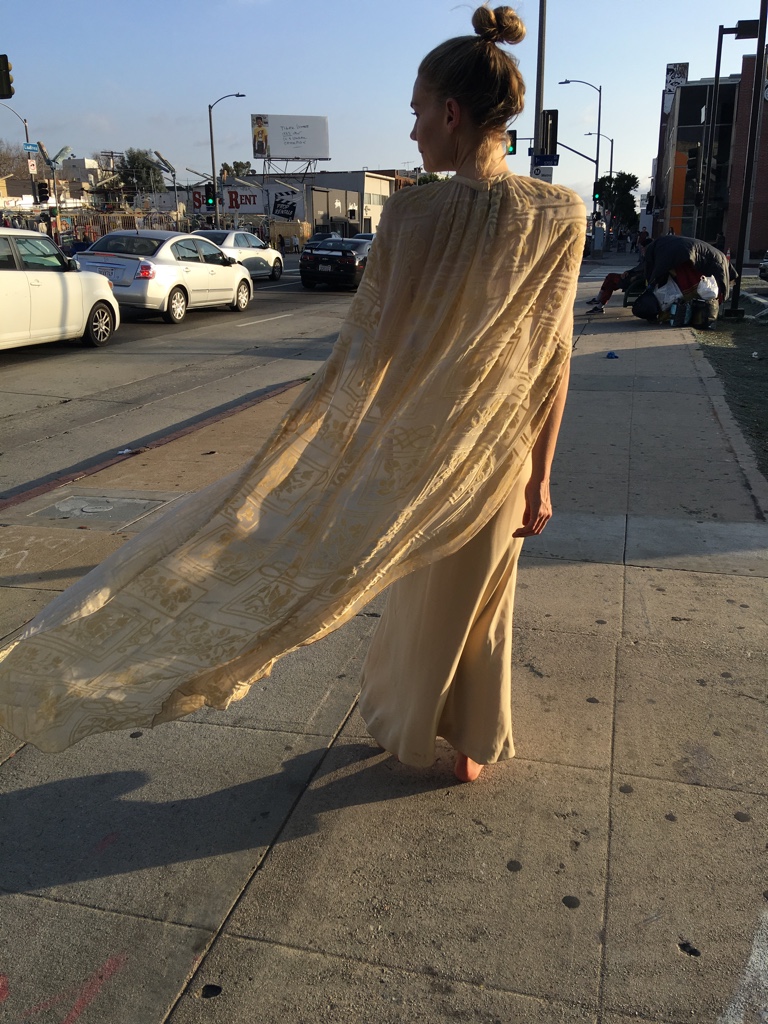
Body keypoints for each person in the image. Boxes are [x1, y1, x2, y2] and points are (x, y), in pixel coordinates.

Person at [0, 5, 585, 784]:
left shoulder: (411, 216)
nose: (412, 131)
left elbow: (369, 356)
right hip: (497, 454)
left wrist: (328, 456)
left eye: (416, 113)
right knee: (478, 606)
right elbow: (554, 359)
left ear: (451, 113)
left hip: (414, 456)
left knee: (426, 607)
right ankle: (471, 738)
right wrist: (542, 473)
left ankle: (422, 726)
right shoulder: (560, 214)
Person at [585, 245, 648, 314]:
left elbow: (645, 273)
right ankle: (599, 306)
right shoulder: (645, 259)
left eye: (643, 249)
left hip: (632, 281)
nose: (642, 250)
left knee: (610, 277)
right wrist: (628, 272)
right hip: (630, 279)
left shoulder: (648, 261)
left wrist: (636, 277)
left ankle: (598, 299)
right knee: (610, 284)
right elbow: (636, 269)